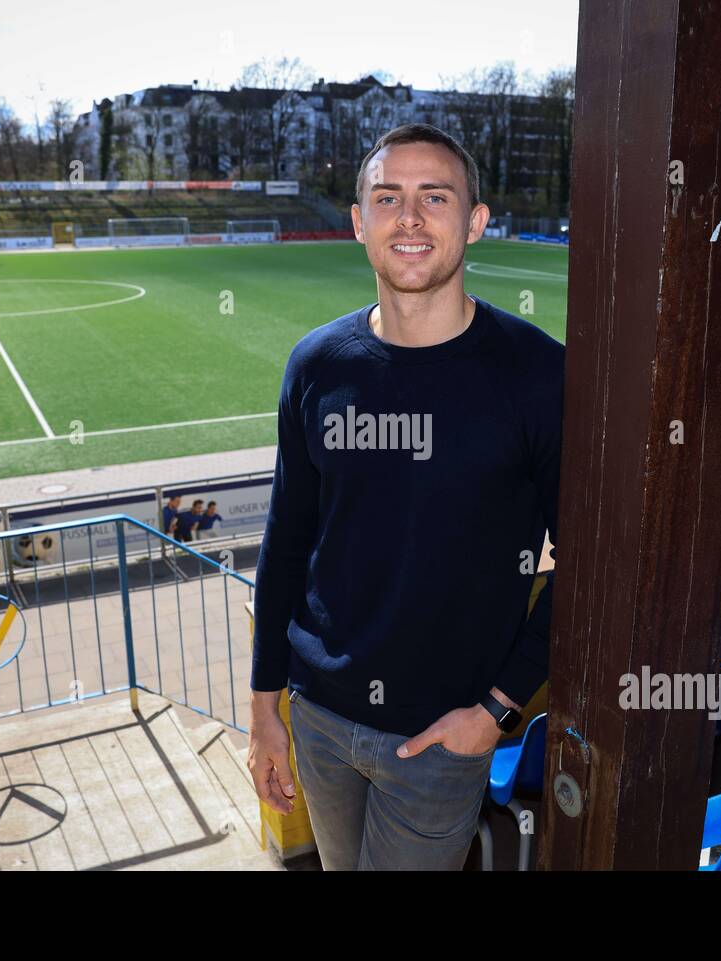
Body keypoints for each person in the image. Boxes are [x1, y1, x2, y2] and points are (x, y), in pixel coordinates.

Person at [248, 122, 562, 871]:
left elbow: (594, 564)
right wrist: (266, 707)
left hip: (440, 740)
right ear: (359, 222)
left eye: (435, 196)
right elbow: (287, 538)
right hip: (319, 719)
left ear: (476, 221)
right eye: (388, 197)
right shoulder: (316, 364)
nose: (410, 217)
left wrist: (495, 708)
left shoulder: (538, 375)